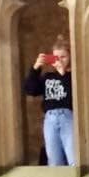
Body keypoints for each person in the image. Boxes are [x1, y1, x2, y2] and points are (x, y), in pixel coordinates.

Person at [23, 35, 74, 166]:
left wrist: (63, 73)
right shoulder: (48, 77)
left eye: (63, 57)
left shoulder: (73, 76)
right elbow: (30, 89)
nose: (60, 60)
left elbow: (73, 94)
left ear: (70, 57)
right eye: (57, 57)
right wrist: (36, 68)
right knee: (54, 159)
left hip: (67, 116)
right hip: (50, 118)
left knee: (73, 155)